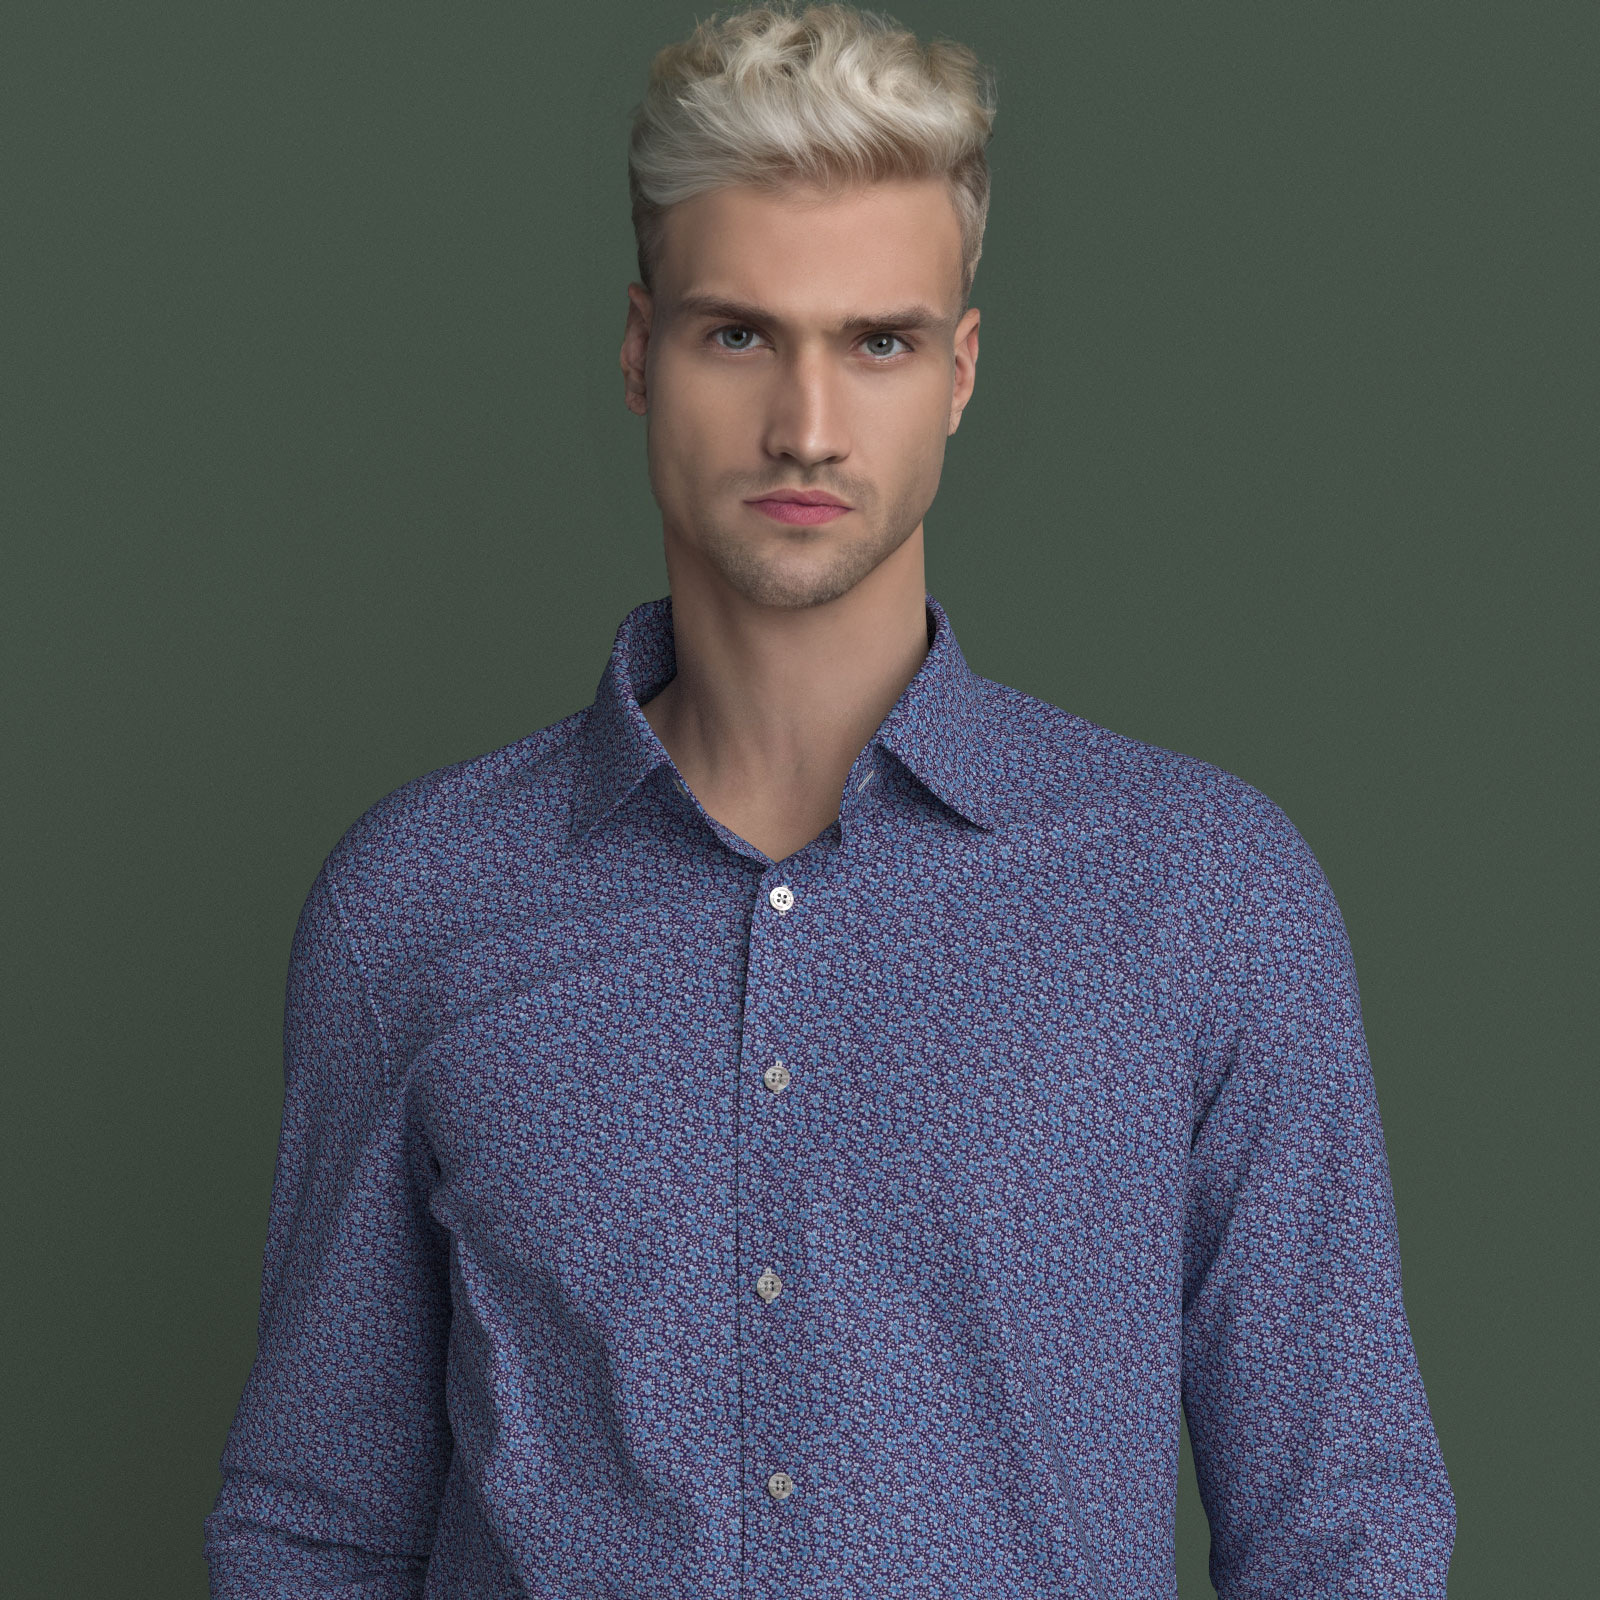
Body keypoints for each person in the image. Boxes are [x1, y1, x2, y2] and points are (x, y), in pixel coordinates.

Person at [203, 4, 1455, 1595]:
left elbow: (1343, 1529)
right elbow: (317, 1529)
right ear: (641, 349)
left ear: (961, 371)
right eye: (740, 335)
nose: (806, 427)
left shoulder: (1204, 901)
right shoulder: (417, 903)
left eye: (879, 343)